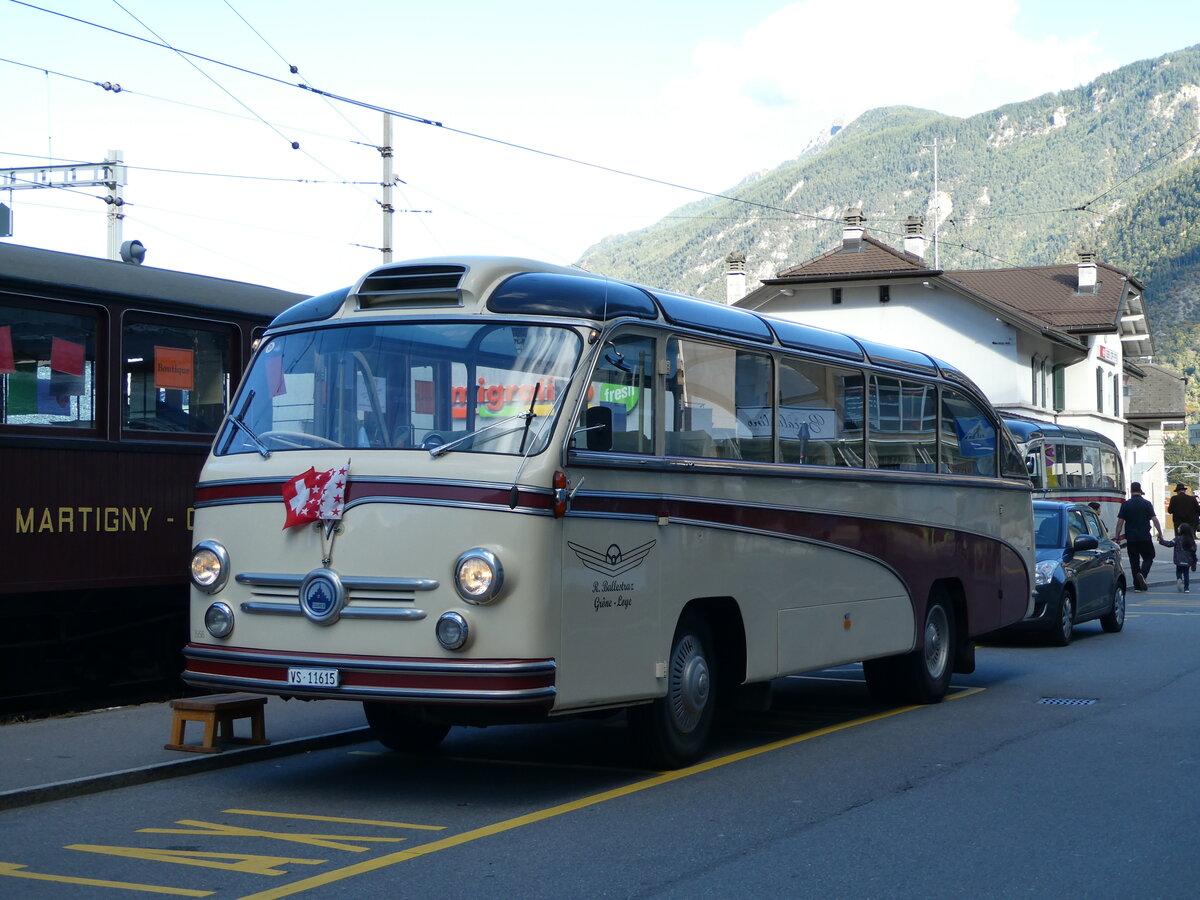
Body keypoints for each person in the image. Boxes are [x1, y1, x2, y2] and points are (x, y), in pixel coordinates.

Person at [1113, 481, 1163, 592]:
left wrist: (1117, 537)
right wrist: (1160, 533)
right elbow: (1155, 520)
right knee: (1149, 557)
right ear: (1140, 490)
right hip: (1145, 537)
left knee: (1134, 561)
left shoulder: (1125, 504)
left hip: (1131, 538)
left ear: (1131, 491)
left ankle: (1137, 586)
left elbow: (1120, 522)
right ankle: (1142, 575)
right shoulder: (1147, 503)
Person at [1159, 523, 1198, 593]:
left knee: (1178, 571)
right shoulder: (1191, 540)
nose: (1178, 529)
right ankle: (1186, 588)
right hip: (1187, 560)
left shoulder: (1177, 538)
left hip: (1178, 559)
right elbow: (1194, 549)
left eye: (1179, 528)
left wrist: (1161, 541)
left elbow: (1170, 544)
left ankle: (1179, 579)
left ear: (1182, 530)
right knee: (1186, 574)